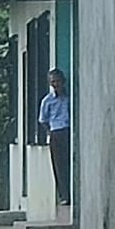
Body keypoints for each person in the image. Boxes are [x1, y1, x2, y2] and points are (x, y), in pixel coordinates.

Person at [38, 68, 72, 207]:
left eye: (58, 81)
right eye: (53, 82)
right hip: (56, 133)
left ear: (63, 82)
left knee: (70, 162)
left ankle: (72, 191)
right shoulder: (47, 101)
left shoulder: (70, 97)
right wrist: (50, 132)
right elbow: (43, 120)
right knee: (59, 165)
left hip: (69, 131)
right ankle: (64, 195)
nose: (56, 84)